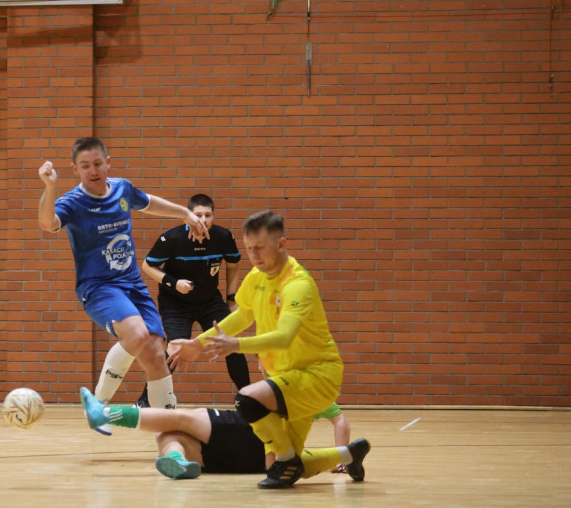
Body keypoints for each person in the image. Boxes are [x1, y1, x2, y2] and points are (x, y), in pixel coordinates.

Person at [167, 210, 370, 489]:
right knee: (276, 467)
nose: (254, 256)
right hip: (286, 378)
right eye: (249, 249)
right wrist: (197, 345)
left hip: (317, 376)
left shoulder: (297, 284)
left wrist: (235, 345)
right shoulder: (256, 277)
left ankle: (288, 458)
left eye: (260, 248)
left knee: (247, 399)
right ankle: (349, 454)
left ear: (281, 245)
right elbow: (242, 316)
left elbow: (285, 336)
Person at [37, 137, 209, 423]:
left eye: (97, 163)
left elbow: (147, 202)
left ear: (108, 162)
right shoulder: (72, 203)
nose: (93, 170)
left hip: (133, 286)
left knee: (156, 354)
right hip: (99, 287)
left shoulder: (122, 189)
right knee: (137, 334)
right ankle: (97, 405)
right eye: (85, 166)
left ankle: (169, 431)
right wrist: (50, 186)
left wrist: (184, 213)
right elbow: (47, 223)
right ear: (74, 170)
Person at [78, 388, 368, 482]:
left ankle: (105, 414)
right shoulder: (315, 392)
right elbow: (340, 419)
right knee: (167, 432)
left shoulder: (296, 384)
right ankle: (178, 460)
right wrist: (340, 455)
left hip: (253, 432)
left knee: (182, 418)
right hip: (261, 462)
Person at [135, 193, 250, 407]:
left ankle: (248, 397)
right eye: (198, 215)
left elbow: (233, 265)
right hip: (175, 303)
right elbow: (147, 266)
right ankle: (146, 400)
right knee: (176, 348)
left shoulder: (223, 237)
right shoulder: (172, 239)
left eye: (208, 215)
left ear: (213, 217)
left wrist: (231, 299)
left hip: (209, 301)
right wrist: (172, 282)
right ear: (188, 217)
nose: (203, 220)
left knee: (230, 342)